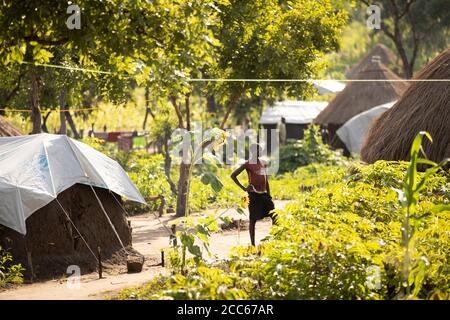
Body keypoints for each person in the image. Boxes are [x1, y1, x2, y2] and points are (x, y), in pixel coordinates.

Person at [231, 143, 276, 246]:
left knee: (274, 215)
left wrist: (269, 194)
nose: (259, 152)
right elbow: (233, 175)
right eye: (257, 150)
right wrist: (244, 188)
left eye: (260, 150)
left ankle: (275, 240)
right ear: (252, 152)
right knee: (253, 220)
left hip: (264, 195)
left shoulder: (263, 163)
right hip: (253, 195)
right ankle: (253, 245)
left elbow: (266, 180)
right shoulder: (248, 164)